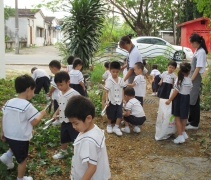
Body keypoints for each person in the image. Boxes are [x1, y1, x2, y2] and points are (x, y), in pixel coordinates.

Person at [0, 75, 46, 180]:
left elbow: (3, 118)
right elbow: (34, 122)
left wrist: (2, 132)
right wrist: (42, 114)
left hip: (8, 134)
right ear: (29, 89)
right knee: (22, 160)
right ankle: (20, 178)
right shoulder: (27, 106)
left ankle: (7, 155)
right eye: (34, 90)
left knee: (14, 146)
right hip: (20, 137)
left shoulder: (9, 102)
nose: (33, 93)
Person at [64, 95, 111, 180]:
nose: (73, 126)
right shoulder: (93, 129)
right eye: (71, 123)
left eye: (76, 123)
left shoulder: (88, 141)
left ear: (88, 118)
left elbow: (92, 167)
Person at [52, 71, 80, 159]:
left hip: (73, 121)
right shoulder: (60, 93)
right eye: (58, 85)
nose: (59, 87)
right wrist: (56, 113)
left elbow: (80, 106)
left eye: (61, 85)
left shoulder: (74, 94)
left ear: (68, 82)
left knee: (76, 138)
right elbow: (60, 105)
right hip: (63, 120)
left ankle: (78, 154)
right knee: (63, 137)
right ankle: (63, 152)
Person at [166, 63, 192, 144]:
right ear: (189, 71)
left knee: (177, 118)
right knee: (184, 117)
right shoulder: (189, 80)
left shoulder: (179, 80)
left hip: (179, 99)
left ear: (180, 70)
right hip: (186, 98)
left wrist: (169, 100)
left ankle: (180, 136)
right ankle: (183, 132)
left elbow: (176, 91)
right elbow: (190, 89)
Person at [186, 33, 208, 130]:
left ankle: (194, 123)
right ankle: (191, 120)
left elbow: (198, 67)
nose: (190, 45)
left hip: (195, 78)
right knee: (192, 99)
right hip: (192, 77)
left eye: (191, 43)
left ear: (195, 42)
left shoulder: (201, 52)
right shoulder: (197, 50)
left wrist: (191, 79)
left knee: (193, 101)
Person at [105, 61, 126, 136]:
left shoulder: (121, 80)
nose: (115, 73)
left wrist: (123, 99)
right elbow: (106, 91)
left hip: (119, 101)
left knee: (119, 114)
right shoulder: (109, 80)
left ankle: (116, 127)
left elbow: (122, 89)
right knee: (110, 114)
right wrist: (106, 100)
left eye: (117, 72)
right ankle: (109, 125)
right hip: (112, 101)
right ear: (110, 70)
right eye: (113, 72)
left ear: (119, 71)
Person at [48, 60, 61, 126]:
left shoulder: (56, 76)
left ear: (54, 68)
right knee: (60, 107)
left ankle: (57, 120)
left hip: (56, 96)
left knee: (56, 107)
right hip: (60, 95)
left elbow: (54, 86)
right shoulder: (62, 74)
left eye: (51, 70)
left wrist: (50, 93)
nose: (51, 71)